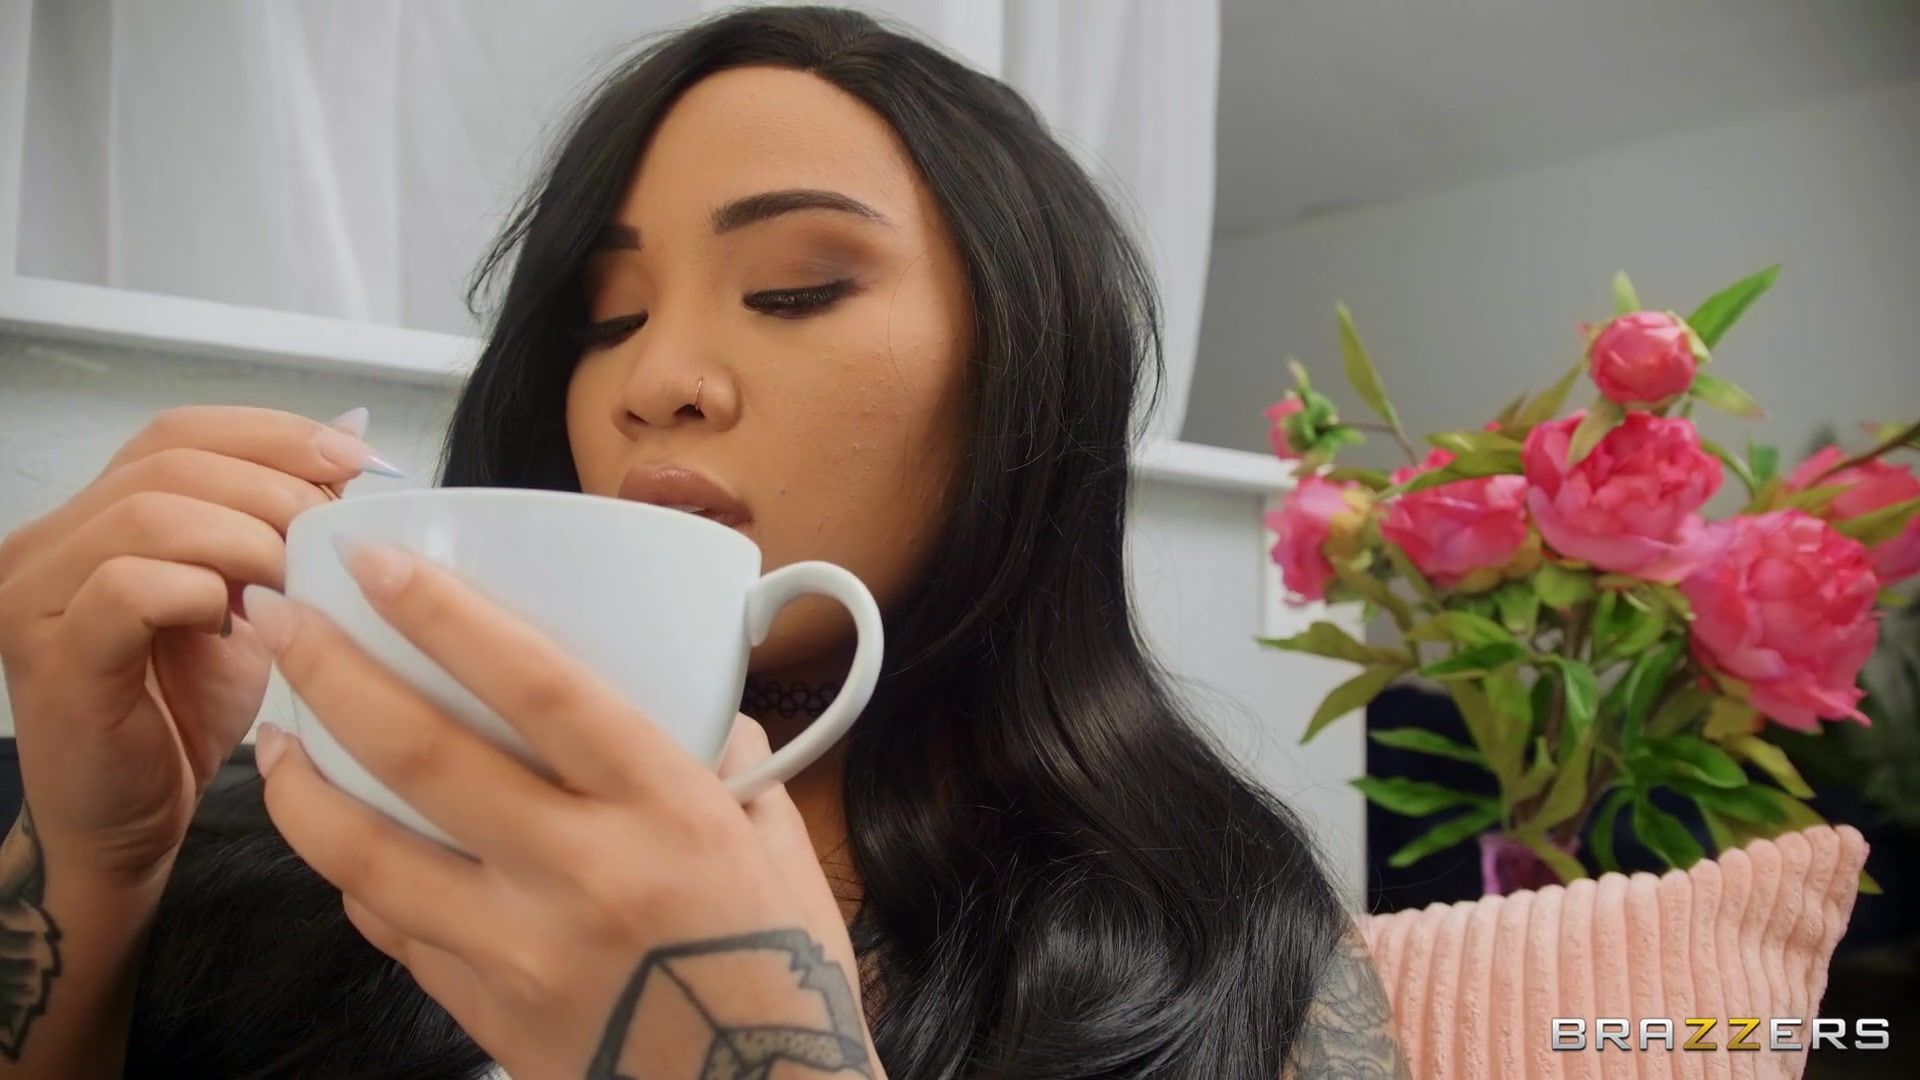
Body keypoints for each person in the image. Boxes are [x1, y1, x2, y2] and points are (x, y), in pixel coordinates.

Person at [0, 6, 1409, 1077]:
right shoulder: (290, 840)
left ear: (1025, 371)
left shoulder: (1216, 939)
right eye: (603, 318)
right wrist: (91, 861)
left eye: (795, 291)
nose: (655, 378)